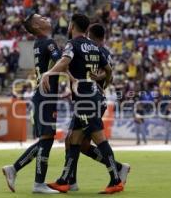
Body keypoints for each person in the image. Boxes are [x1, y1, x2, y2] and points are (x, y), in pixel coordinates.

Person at [40, 14, 124, 194]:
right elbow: (109, 70)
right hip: (89, 96)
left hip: (85, 98)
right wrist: (104, 84)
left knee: (99, 138)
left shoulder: (73, 44)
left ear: (71, 26)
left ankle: (116, 179)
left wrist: (48, 74)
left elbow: (64, 62)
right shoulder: (95, 46)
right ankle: (64, 181)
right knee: (73, 140)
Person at [63, 23, 130, 191]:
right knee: (78, 143)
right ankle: (71, 180)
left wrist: (96, 80)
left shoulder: (93, 50)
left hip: (90, 100)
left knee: (79, 140)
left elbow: (106, 74)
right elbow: (109, 76)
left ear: (91, 35)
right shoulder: (100, 51)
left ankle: (72, 181)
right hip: (91, 99)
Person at [2, 13, 61, 194]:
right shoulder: (49, 42)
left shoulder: (38, 43)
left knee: (46, 139)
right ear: (36, 26)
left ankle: (16, 170)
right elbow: (61, 61)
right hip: (46, 96)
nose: (45, 18)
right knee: (46, 139)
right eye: (41, 18)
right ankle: (36, 182)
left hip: (43, 95)